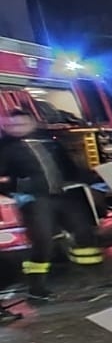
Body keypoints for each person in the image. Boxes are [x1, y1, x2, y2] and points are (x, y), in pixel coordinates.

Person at [0, 109, 103, 301]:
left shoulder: (48, 141)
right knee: (43, 242)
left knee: (83, 232)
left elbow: (68, 167)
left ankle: (94, 278)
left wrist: (93, 177)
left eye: (22, 124)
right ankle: (36, 287)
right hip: (34, 200)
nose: (17, 128)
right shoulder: (4, 148)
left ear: (32, 122)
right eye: (12, 125)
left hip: (63, 195)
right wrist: (19, 186)